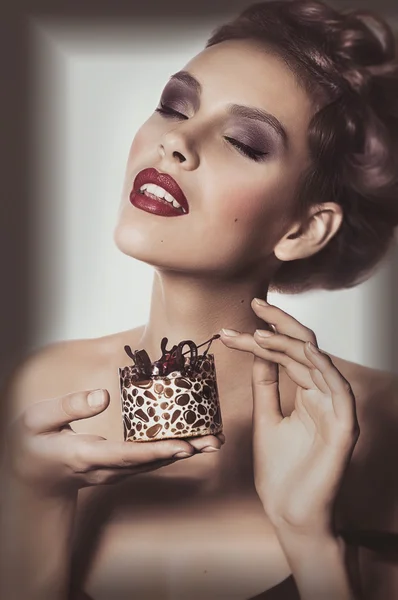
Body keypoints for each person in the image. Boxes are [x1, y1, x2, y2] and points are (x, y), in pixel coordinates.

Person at [1, 0, 398, 598]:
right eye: (173, 106)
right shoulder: (37, 388)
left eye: (244, 141)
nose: (177, 141)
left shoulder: (383, 424)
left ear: (303, 229)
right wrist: (32, 495)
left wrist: (310, 540)